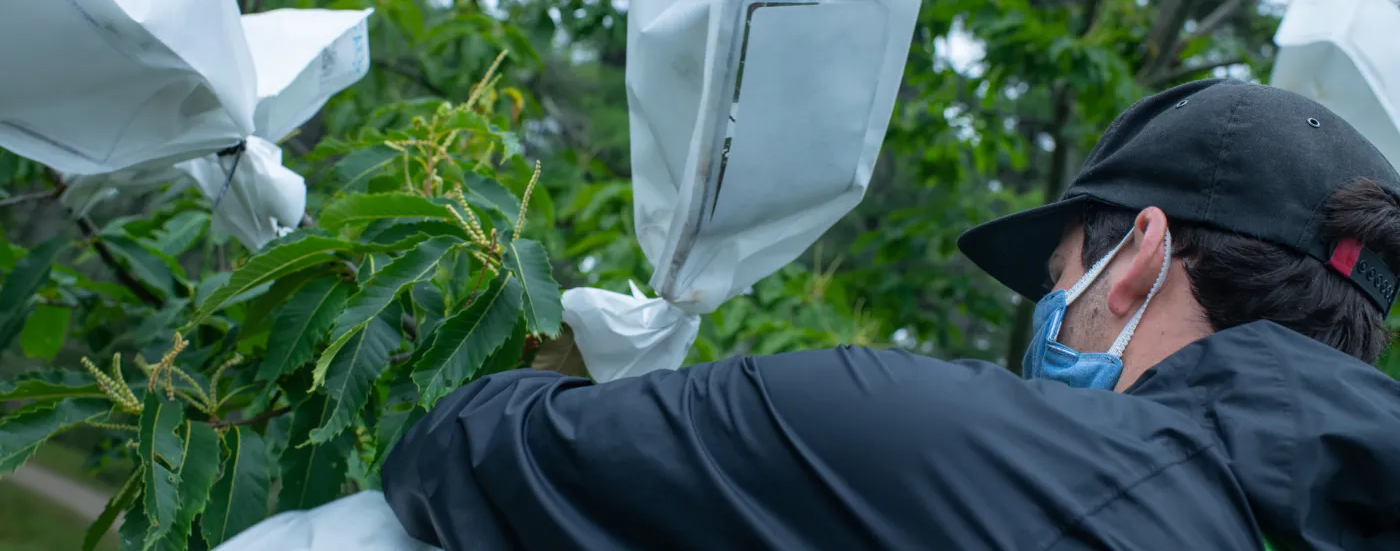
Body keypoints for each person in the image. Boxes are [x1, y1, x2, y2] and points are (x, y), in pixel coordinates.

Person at [381, 79, 1400, 550]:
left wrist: (561, 367)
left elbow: (466, 453)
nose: (1050, 313)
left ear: (1135, 259)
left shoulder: (939, 443)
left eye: (1058, 279)